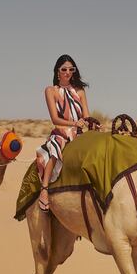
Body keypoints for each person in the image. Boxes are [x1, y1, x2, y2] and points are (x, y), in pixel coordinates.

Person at [35, 54, 95, 211]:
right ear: (57, 72)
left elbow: (86, 116)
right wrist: (74, 123)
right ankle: (45, 188)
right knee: (55, 148)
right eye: (64, 69)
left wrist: (92, 123)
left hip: (79, 132)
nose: (68, 72)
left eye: (71, 69)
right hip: (62, 132)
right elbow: (55, 119)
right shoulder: (51, 91)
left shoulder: (80, 91)